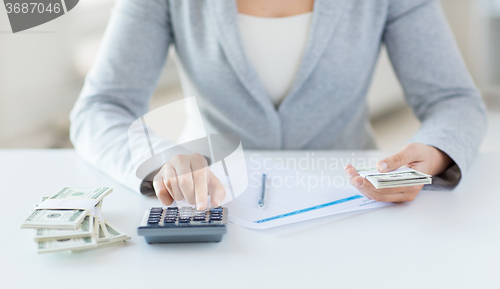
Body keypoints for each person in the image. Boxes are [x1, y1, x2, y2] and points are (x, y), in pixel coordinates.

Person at [70, 0, 487, 210]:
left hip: (350, 204)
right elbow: (101, 106)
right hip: (214, 205)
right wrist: (161, 159)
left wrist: (434, 154)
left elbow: (454, 100)